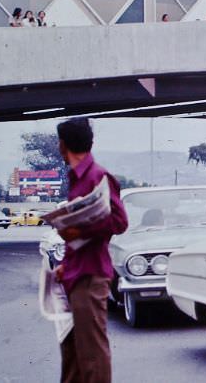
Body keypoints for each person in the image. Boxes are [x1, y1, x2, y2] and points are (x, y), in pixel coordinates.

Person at [55, 118, 128, 383]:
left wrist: (80, 231)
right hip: (75, 273)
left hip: (91, 275)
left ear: (63, 145)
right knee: (72, 350)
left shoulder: (98, 176)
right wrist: (66, 262)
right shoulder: (76, 178)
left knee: (92, 353)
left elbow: (120, 222)